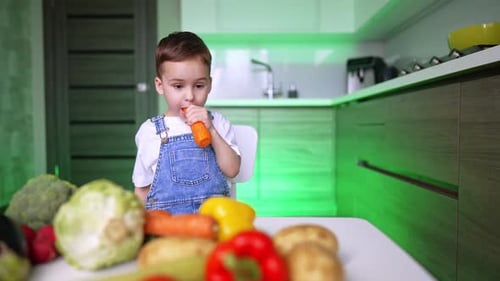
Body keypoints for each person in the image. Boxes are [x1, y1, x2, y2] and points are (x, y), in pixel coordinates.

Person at [132, 31, 241, 214]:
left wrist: (211, 131)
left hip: (213, 223)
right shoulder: (150, 131)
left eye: (199, 86)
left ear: (210, 84)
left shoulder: (218, 123)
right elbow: (142, 189)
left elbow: (232, 170)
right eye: (178, 86)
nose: (190, 96)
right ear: (160, 86)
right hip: (167, 227)